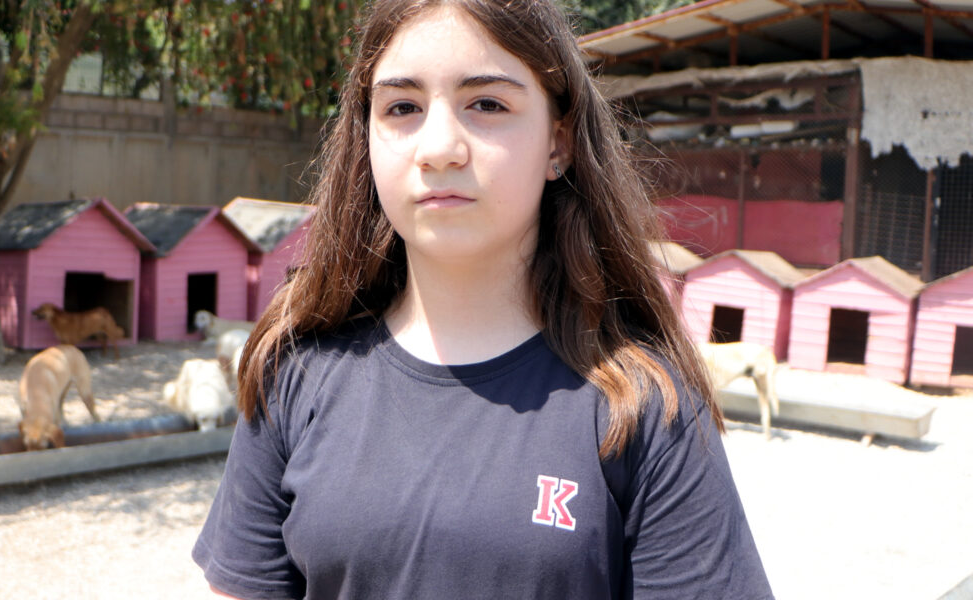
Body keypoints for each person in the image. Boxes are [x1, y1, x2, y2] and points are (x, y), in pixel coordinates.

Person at [193, 0, 773, 598]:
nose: (439, 147)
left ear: (559, 143)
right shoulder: (292, 372)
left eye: (487, 104)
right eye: (402, 107)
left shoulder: (646, 410)